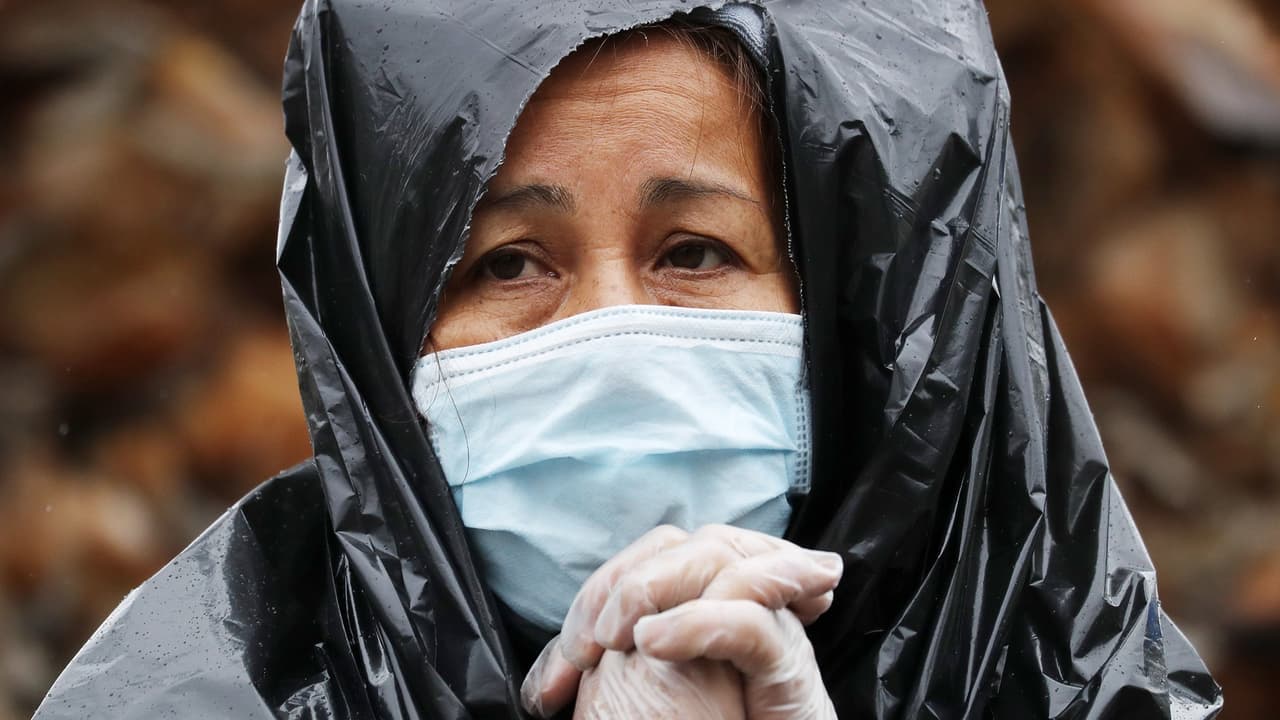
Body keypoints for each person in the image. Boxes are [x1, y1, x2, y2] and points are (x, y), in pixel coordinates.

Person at [33, 2, 1223, 719]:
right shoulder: (205, 692)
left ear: (870, 326)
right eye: (507, 263)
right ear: (384, 340)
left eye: (694, 251)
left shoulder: (1072, 683)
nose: (609, 338)